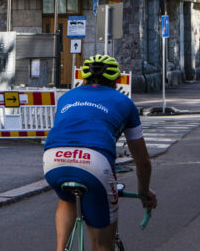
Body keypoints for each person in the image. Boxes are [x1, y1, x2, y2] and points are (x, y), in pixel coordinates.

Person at [43, 55, 157, 251]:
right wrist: (144, 191)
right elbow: (143, 160)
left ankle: (60, 249)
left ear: (83, 78)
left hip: (53, 158)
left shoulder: (67, 97)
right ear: (116, 81)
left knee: (67, 196)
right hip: (94, 162)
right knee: (103, 244)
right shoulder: (124, 102)